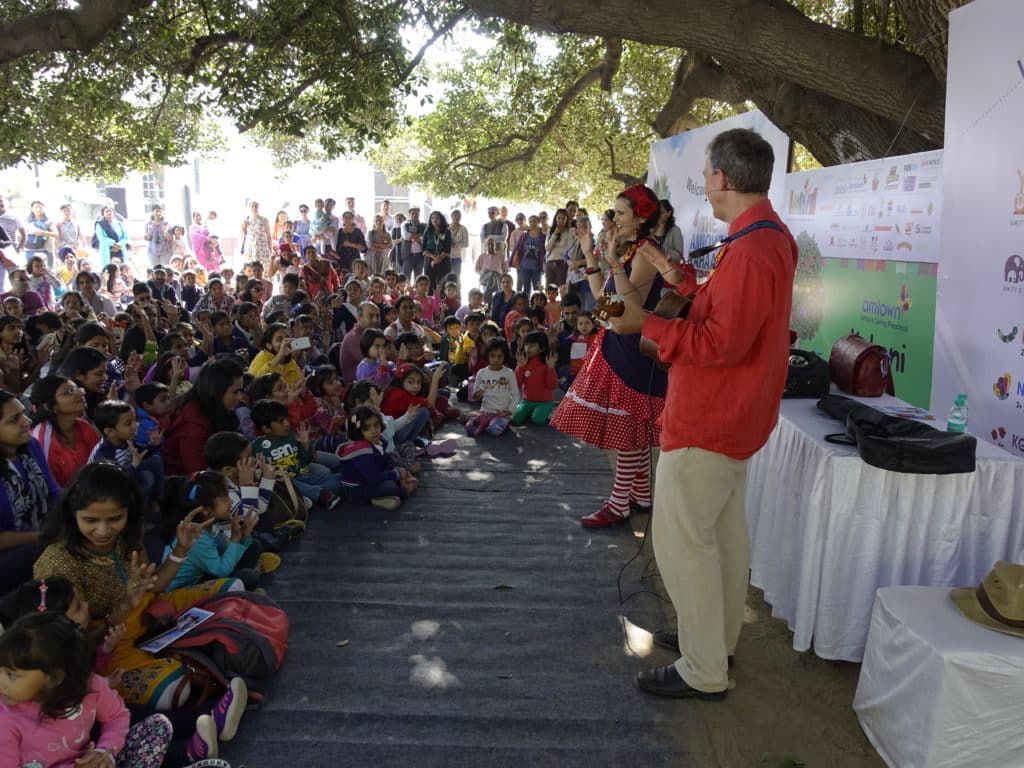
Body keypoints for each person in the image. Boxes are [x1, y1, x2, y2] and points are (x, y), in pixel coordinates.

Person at [606, 128, 798, 699]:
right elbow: (726, 317)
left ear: (723, 178)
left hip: (712, 415)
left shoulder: (757, 245)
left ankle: (703, 668)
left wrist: (646, 325)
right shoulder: (763, 237)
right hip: (732, 416)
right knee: (723, 535)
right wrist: (673, 279)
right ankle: (712, 641)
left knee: (683, 541)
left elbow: (720, 344)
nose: (706, 184)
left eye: (709, 173)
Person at [32, 462, 243, 709]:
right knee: (174, 689)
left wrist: (181, 549)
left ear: (129, 514)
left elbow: (155, 588)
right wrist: (115, 618)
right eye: (90, 520)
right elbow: (65, 645)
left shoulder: (128, 536)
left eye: (115, 519)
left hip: (152, 613)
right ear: (72, 515)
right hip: (108, 645)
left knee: (233, 588)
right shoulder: (57, 564)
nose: (102, 530)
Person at [549, 184, 667, 528]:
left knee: (627, 428)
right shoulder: (631, 249)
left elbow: (630, 306)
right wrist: (590, 253)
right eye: (613, 211)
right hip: (618, 344)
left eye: (620, 213)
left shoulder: (646, 252)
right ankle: (640, 494)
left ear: (641, 217)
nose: (612, 218)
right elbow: (604, 298)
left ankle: (619, 504)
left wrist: (612, 261)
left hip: (633, 349)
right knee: (632, 425)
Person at [0, 611, 174, 768]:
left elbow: (116, 715)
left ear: (53, 678)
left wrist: (104, 752)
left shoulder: (90, 686)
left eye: (11, 675)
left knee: (158, 726)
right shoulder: (6, 720)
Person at [158, 472, 264, 592]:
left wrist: (243, 535)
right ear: (206, 510)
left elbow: (225, 550)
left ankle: (244, 582)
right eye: (225, 499)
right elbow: (222, 571)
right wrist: (235, 538)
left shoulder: (209, 525)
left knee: (253, 545)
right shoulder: (197, 539)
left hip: (204, 574)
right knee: (248, 578)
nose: (230, 501)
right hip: (183, 590)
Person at [0, 391, 58, 595]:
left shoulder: (30, 446)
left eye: (23, 413)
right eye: (14, 419)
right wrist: (43, 536)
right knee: (43, 553)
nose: (26, 421)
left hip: (39, 534)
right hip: (10, 550)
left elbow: (53, 492)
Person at [162, 358, 245, 475]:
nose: (240, 397)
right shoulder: (192, 421)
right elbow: (198, 473)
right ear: (217, 390)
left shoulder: (219, 407)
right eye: (235, 392)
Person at [337, 405, 417, 510]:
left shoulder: (378, 441)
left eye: (376, 425)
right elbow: (374, 478)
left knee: (395, 476)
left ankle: (381, 499)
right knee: (390, 486)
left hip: (370, 480)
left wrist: (398, 470)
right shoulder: (361, 451)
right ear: (357, 431)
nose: (374, 430)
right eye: (366, 428)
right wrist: (397, 475)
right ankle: (397, 493)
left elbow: (386, 462)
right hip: (356, 489)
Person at [29, 375, 100, 488]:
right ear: (49, 406)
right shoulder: (42, 440)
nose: (80, 393)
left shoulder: (83, 426)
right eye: (69, 391)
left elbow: (100, 460)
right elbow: (49, 490)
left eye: (78, 389)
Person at [466, 338, 519, 438]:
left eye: (500, 356)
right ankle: (481, 421)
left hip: (502, 413)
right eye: (492, 356)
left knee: (494, 429)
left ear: (505, 356)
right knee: (470, 427)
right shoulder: (481, 373)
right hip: (485, 411)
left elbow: (516, 394)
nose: (496, 359)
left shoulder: (509, 373)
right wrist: (477, 395)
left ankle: (489, 423)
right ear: (487, 356)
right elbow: (475, 396)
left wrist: (510, 411)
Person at [512, 331, 558, 426]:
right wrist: (520, 367)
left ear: (541, 349)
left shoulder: (547, 362)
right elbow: (517, 384)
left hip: (544, 402)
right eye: (526, 345)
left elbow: (552, 386)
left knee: (537, 420)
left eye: (532, 345)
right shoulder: (523, 361)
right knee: (515, 419)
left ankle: (543, 410)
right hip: (527, 401)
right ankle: (532, 411)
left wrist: (551, 368)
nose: (527, 348)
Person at [423, 211, 452, 293]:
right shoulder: (427, 231)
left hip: (443, 260)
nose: (434, 219)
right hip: (429, 260)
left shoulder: (447, 231)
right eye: (432, 217)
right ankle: (430, 304)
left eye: (437, 217)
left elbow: (447, 248)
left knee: (443, 284)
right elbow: (423, 248)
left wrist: (438, 259)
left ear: (441, 219)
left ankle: (442, 305)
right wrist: (433, 257)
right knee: (430, 285)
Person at [240, 201, 272, 268]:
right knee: (251, 266)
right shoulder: (246, 220)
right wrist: (244, 227)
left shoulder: (264, 219)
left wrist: (270, 247)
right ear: (249, 208)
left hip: (262, 245)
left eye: (256, 206)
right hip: (250, 246)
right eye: (252, 206)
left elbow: (269, 235)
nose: (254, 208)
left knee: (264, 266)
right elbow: (243, 235)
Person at [654, 198, 685, 263]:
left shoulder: (675, 230)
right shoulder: (651, 229)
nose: (659, 215)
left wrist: (663, 249)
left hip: (668, 270)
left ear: (669, 213)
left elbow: (679, 257)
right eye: (657, 213)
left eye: (662, 212)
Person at [449, 209, 469, 279]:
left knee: (457, 277)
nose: (456, 217)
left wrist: (456, 244)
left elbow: (466, 244)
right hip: (446, 256)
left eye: (458, 216)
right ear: (451, 217)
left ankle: (457, 289)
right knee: (447, 276)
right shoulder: (446, 227)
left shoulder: (463, 229)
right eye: (455, 215)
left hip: (457, 257)